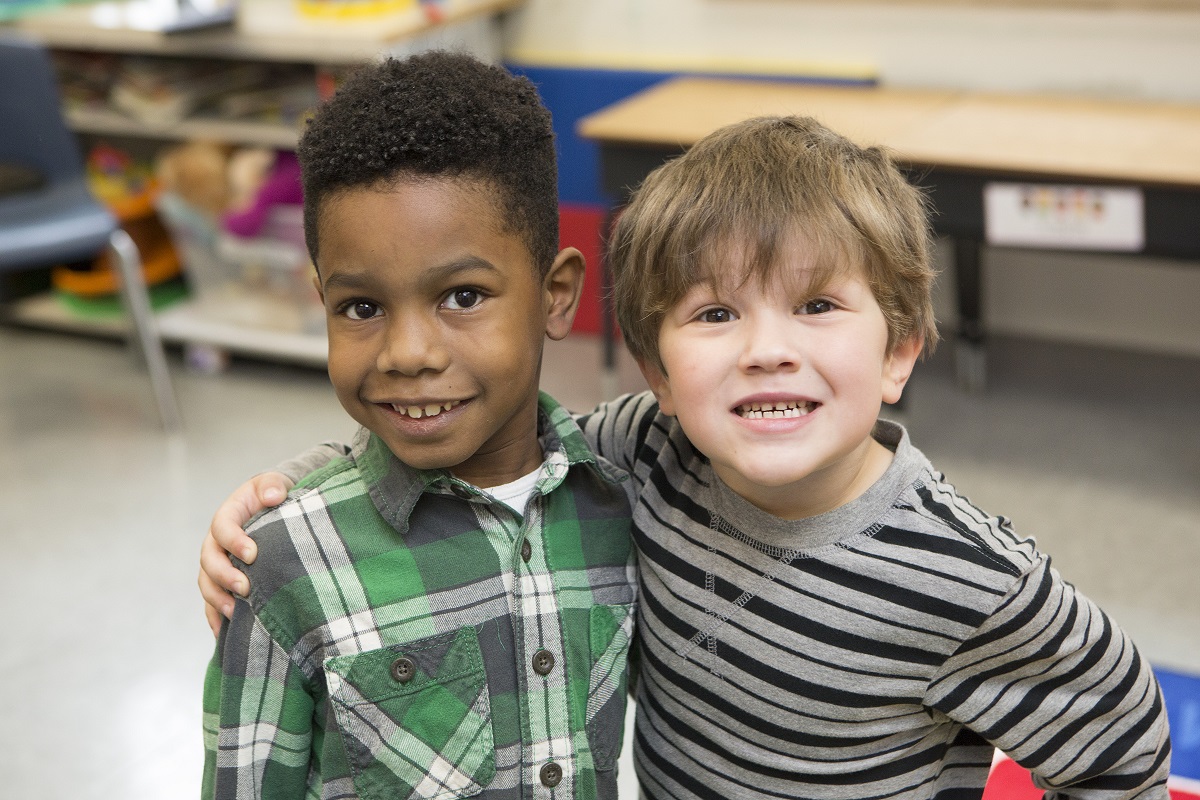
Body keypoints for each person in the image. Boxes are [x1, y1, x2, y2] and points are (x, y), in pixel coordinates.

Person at [201, 115, 1172, 799]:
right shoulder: (642, 450)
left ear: (902, 349)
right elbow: (482, 435)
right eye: (714, 314)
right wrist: (300, 488)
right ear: (658, 371)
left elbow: (1123, 742)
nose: (765, 348)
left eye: (818, 304)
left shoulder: (976, 579)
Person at [200, 51, 638, 800]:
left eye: (463, 296)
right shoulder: (281, 567)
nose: (408, 354)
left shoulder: (624, 502)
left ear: (556, 295)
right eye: (362, 308)